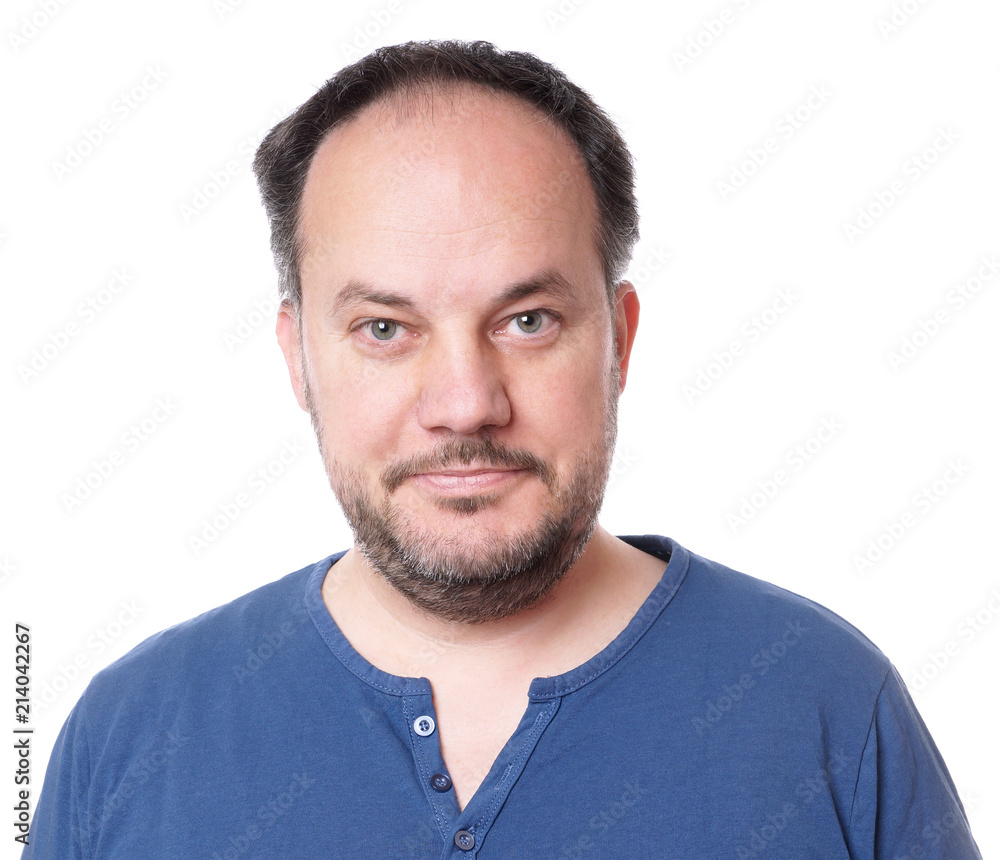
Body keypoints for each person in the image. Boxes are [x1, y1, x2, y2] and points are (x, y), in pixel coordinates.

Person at [25, 40, 981, 859]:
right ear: (298, 358)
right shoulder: (131, 736)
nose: (465, 404)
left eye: (527, 320)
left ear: (619, 338)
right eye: (385, 329)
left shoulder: (824, 707)